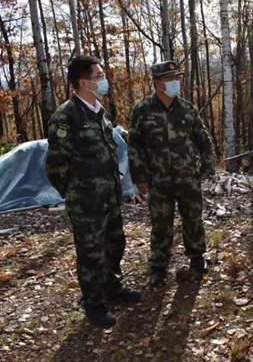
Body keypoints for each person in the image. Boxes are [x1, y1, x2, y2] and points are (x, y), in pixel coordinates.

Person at [45, 56, 140, 327]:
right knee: (91, 253)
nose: (103, 80)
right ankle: (94, 303)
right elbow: (55, 164)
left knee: (115, 244)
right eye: (98, 76)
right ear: (83, 82)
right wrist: (75, 193)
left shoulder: (100, 112)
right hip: (86, 203)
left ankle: (113, 287)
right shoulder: (66, 117)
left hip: (109, 197)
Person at [128, 60, 215, 287]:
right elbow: (135, 146)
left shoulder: (187, 108)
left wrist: (207, 166)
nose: (175, 82)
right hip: (158, 178)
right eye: (169, 78)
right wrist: (139, 177)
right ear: (157, 82)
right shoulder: (142, 110)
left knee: (193, 217)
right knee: (161, 222)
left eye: (177, 78)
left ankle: (197, 258)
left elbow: (203, 139)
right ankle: (159, 264)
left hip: (187, 176)